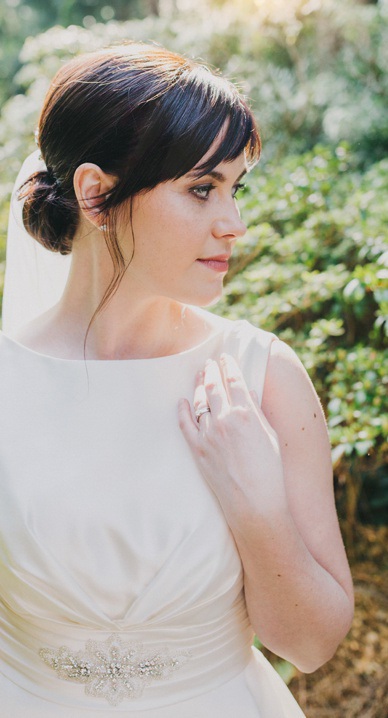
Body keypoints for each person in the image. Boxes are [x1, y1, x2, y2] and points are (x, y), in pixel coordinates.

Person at [0, 42, 353, 716]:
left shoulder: (265, 379)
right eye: (202, 188)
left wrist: (259, 507)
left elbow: (311, 646)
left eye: (234, 188)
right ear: (96, 196)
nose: (235, 223)